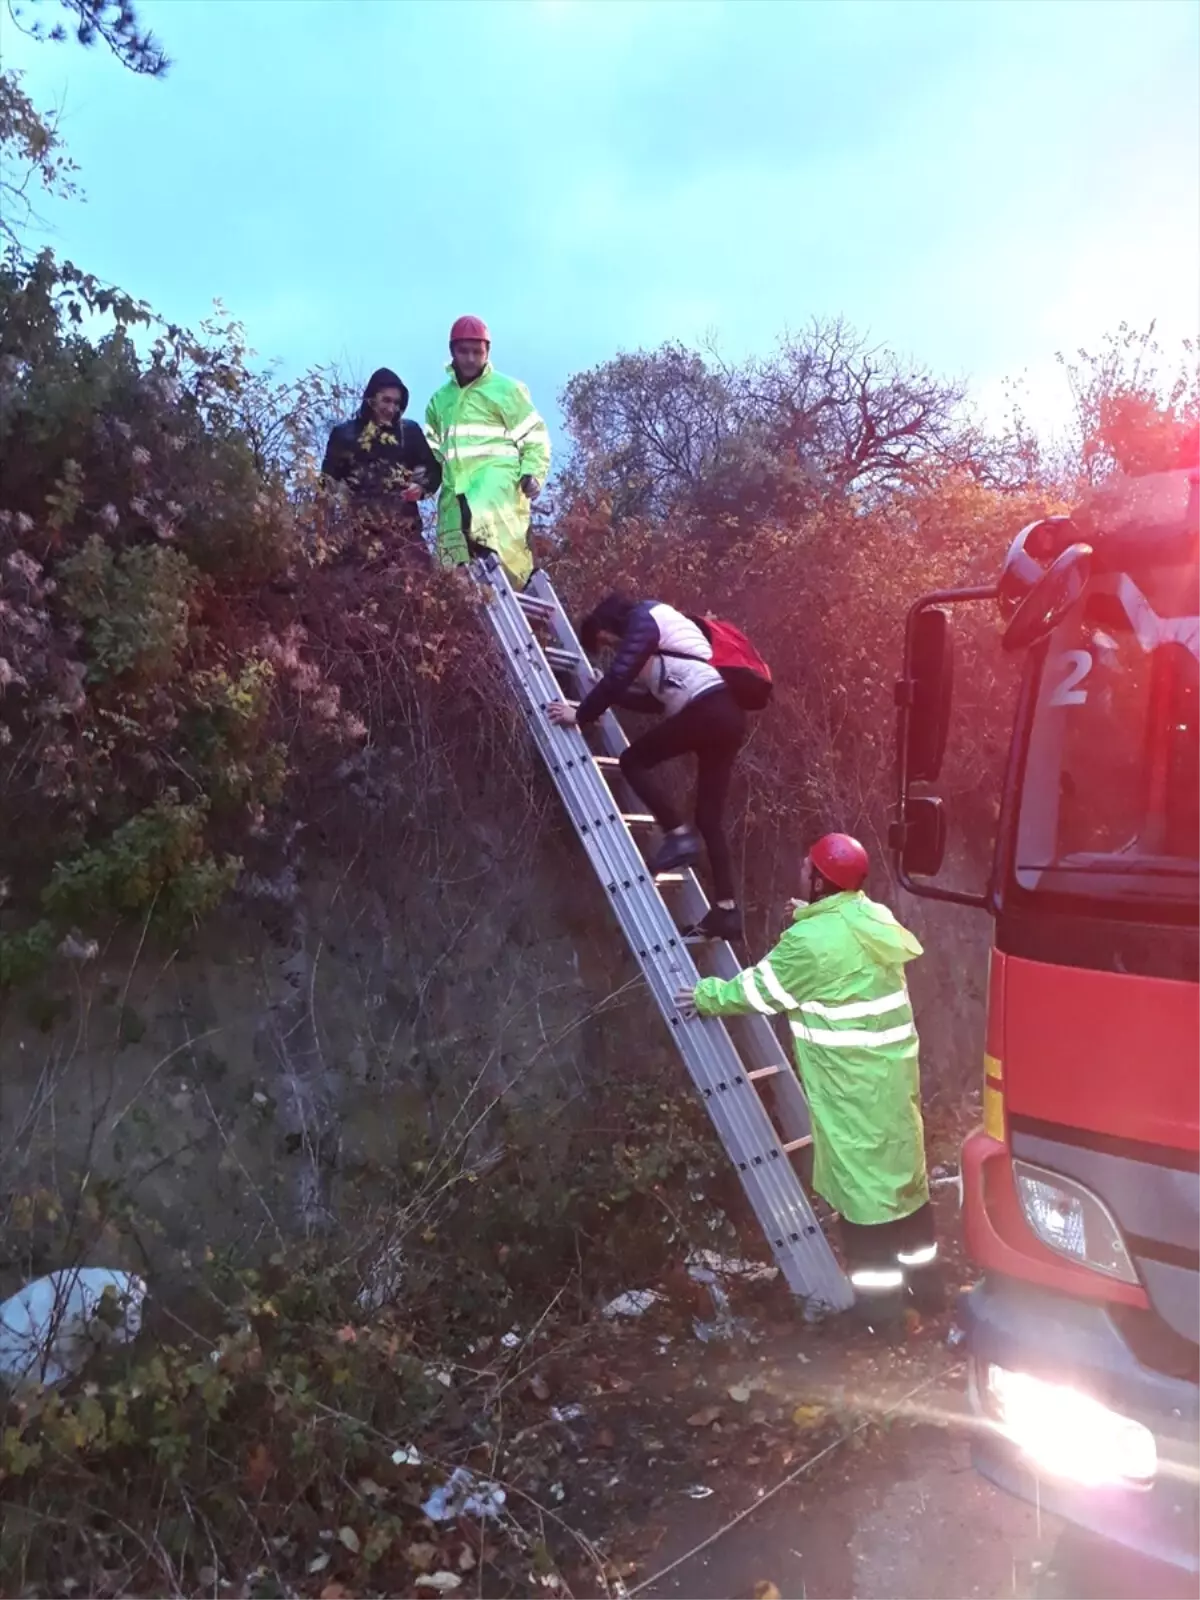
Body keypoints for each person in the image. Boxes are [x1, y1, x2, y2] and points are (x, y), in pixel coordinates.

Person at [674, 832, 940, 1329]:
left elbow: (761, 989)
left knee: (863, 1199)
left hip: (849, 1088)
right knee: (905, 1182)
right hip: (891, 1078)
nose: (801, 869)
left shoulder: (809, 943)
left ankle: (879, 1316)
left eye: (808, 867)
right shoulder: (871, 916)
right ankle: (927, 1291)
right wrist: (812, 916)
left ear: (820, 881)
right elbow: (836, 944)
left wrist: (706, 995)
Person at [547, 591, 748, 942]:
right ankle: (727, 911)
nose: (608, 646)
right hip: (724, 715)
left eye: (603, 639)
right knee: (709, 819)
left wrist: (580, 713)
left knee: (632, 760)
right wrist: (608, 692)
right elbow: (654, 702)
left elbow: (620, 674)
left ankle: (678, 836)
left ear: (607, 622)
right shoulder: (661, 636)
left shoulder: (645, 618)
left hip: (708, 710)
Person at [423, 316, 551, 589]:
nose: (470, 359)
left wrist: (533, 473)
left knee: (496, 556)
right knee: (453, 576)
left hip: (495, 489)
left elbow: (535, 436)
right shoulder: (438, 401)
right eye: (464, 351)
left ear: (487, 352)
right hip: (453, 498)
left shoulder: (507, 390)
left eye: (477, 352)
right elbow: (432, 453)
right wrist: (421, 483)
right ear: (452, 352)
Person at [320, 367, 442, 554]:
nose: (391, 408)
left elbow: (433, 471)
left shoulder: (409, 432)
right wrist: (322, 535)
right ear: (371, 399)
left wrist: (421, 488)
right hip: (359, 537)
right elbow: (325, 488)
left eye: (396, 403)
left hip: (406, 535)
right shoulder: (344, 435)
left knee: (425, 579)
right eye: (386, 400)